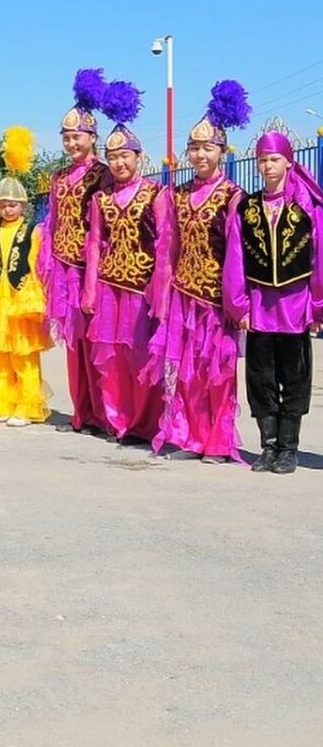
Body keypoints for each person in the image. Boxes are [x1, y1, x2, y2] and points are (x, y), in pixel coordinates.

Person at [145, 81, 250, 463]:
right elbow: (168, 247)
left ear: (222, 151)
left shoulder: (232, 195)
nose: (200, 154)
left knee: (218, 372)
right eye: (194, 148)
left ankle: (218, 443)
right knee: (186, 371)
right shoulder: (178, 193)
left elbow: (237, 254)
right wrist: (164, 292)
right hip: (183, 294)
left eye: (208, 148)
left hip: (217, 299)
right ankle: (189, 438)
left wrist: (237, 302)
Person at [229, 130, 323, 473]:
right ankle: (268, 446)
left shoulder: (306, 206)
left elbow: (319, 258)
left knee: (295, 376)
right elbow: (235, 258)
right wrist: (238, 304)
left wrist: (318, 306)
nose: (268, 166)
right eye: (262, 160)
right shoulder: (247, 207)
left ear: (288, 162)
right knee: (260, 376)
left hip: (296, 304)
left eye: (274, 159)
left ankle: (288, 448)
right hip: (259, 304)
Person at [80, 83, 167, 444]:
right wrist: (89, 290)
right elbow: (94, 245)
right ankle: (120, 422)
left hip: (141, 288)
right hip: (109, 288)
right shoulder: (100, 199)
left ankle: (146, 423)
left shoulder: (156, 193)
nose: (118, 163)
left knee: (141, 357)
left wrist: (161, 292)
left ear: (138, 157)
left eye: (125, 156)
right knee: (113, 358)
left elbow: (165, 245)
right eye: (112, 157)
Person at [39, 70, 111, 432]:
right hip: (64, 268)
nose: (71, 143)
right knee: (73, 344)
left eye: (77, 136)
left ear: (92, 137)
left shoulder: (104, 174)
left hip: (92, 269)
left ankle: (104, 413)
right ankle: (82, 412)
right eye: (66, 137)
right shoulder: (58, 177)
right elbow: (52, 220)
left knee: (97, 342)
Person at [0, 129, 51, 427]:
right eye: (2, 205)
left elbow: (39, 266)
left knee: (24, 356)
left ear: (23, 206)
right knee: (1, 357)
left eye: (12, 204)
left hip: (22, 299)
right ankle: (3, 404)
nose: (7, 209)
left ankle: (27, 407)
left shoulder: (34, 231)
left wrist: (37, 298)